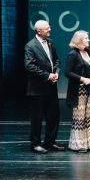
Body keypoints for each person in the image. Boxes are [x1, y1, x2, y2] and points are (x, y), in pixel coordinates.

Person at [24, 20, 65, 153]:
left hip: (51, 88)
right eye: (47, 28)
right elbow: (29, 66)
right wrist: (47, 76)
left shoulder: (50, 42)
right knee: (36, 119)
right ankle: (35, 144)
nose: (50, 30)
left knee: (54, 116)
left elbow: (56, 61)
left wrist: (56, 73)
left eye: (49, 27)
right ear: (38, 31)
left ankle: (50, 142)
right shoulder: (30, 46)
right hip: (37, 89)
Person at [64, 30, 90, 152]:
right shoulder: (73, 54)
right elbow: (67, 72)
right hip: (79, 89)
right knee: (79, 116)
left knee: (89, 116)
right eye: (86, 38)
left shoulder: (88, 52)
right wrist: (82, 79)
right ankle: (78, 144)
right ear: (79, 40)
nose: (88, 40)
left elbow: (89, 69)